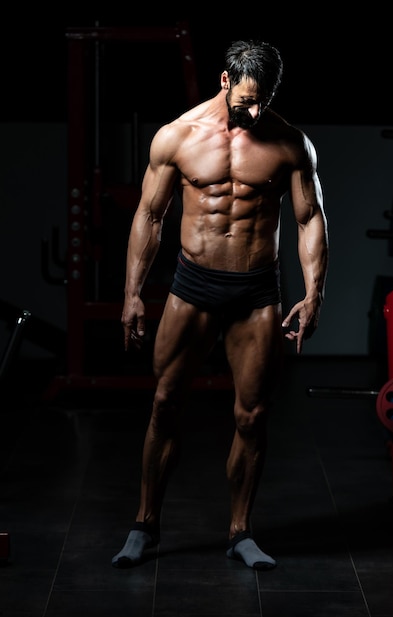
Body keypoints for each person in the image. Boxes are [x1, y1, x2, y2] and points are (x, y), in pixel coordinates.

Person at [112, 39, 329, 571]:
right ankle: (145, 524)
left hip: (256, 293)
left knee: (253, 417)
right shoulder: (178, 137)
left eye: (266, 100)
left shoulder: (290, 143)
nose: (255, 112)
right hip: (193, 286)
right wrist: (132, 294)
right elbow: (150, 214)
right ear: (225, 81)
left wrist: (313, 292)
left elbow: (309, 218)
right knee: (165, 404)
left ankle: (239, 532)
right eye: (247, 99)